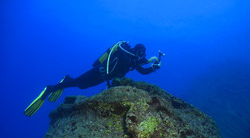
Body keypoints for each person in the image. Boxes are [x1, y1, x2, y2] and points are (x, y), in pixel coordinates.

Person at [24, 41, 162, 117]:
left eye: (143, 53)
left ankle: (67, 79)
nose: (141, 55)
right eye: (140, 52)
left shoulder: (133, 59)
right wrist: (147, 60)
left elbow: (143, 72)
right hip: (99, 72)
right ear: (135, 50)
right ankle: (50, 88)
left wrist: (153, 67)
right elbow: (129, 63)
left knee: (81, 86)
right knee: (78, 83)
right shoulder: (124, 53)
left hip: (102, 78)